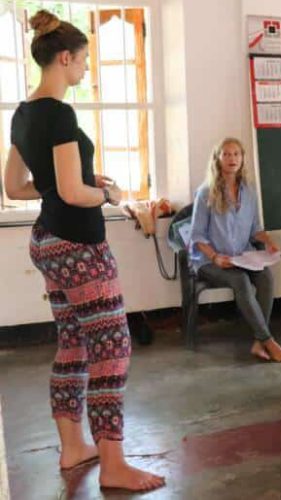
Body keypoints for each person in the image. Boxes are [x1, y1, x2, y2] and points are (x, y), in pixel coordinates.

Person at [0, 10, 164, 491]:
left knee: (72, 345)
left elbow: (14, 185)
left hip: (47, 242)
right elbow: (73, 194)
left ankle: (74, 447)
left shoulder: (25, 113)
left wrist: (68, 183)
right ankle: (114, 465)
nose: (87, 69)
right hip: (78, 245)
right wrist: (107, 195)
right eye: (84, 61)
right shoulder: (60, 111)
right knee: (112, 349)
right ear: (65, 58)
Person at [189, 138, 281, 362]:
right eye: (226, 154)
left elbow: (255, 229)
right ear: (217, 159)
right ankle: (268, 340)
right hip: (209, 261)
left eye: (236, 154)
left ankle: (258, 342)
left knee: (266, 278)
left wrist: (268, 241)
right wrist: (215, 257)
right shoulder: (205, 193)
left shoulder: (249, 192)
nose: (232, 159)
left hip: (241, 256)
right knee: (241, 281)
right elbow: (196, 236)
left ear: (243, 159)